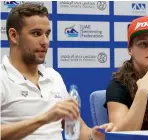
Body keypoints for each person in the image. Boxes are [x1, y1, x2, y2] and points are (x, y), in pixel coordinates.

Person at [1, 3, 115, 140]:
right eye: (36, 33)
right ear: (14, 36)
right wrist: (44, 118)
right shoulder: (2, 78)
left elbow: (78, 129)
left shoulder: (53, 76)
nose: (45, 42)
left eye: (47, 34)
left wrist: (94, 135)